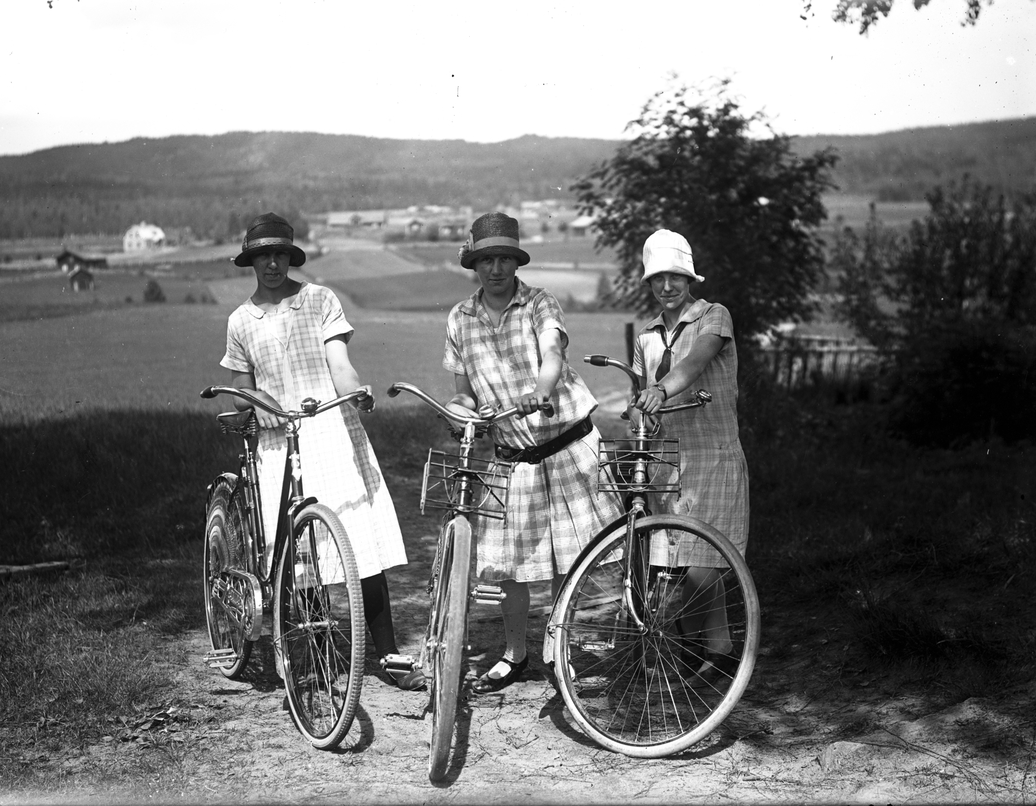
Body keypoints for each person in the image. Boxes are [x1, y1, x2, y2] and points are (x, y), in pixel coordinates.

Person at [219, 212, 423, 690]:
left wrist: (354, 392)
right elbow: (240, 387)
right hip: (279, 441)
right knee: (302, 552)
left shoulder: (319, 299)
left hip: (331, 429)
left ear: (291, 257)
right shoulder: (240, 320)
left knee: (357, 542)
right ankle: (318, 650)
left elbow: (340, 365)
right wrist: (259, 401)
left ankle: (388, 653)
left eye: (280, 254)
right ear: (251, 262)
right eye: (263, 256)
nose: (272, 264)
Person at [443, 212, 624, 693]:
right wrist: (460, 410)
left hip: (567, 447)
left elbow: (552, 354)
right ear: (474, 264)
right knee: (508, 564)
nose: (496, 269)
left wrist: (540, 391)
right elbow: (463, 390)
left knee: (572, 558)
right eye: (486, 260)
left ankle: (561, 647)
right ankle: (515, 653)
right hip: (513, 456)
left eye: (504, 259)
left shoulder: (540, 303)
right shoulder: (460, 318)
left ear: (516, 262)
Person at [627, 228, 750, 682]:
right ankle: (714, 649)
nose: (667, 286)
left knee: (703, 565)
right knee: (681, 565)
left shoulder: (713, 317)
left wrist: (659, 391)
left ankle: (689, 637)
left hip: (712, 457)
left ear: (689, 278)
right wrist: (639, 411)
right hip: (668, 464)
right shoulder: (646, 336)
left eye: (675, 277)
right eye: (658, 279)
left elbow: (693, 364)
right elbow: (639, 397)